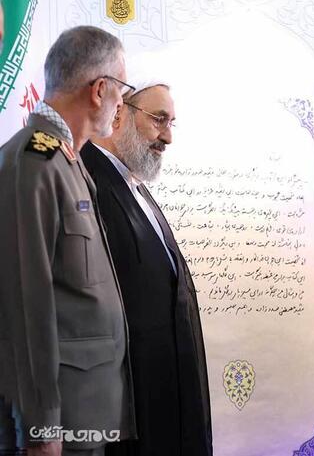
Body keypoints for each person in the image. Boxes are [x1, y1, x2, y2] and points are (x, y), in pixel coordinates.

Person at [0, 26, 136, 456]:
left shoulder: (67, 160)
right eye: (121, 91)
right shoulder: (34, 160)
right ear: (99, 90)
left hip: (86, 415)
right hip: (59, 428)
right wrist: (41, 427)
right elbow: (26, 304)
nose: (121, 105)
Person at [81, 80, 212, 456]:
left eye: (171, 123)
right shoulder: (86, 182)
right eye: (158, 119)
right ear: (118, 112)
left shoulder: (134, 188)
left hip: (165, 400)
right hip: (127, 413)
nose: (167, 136)